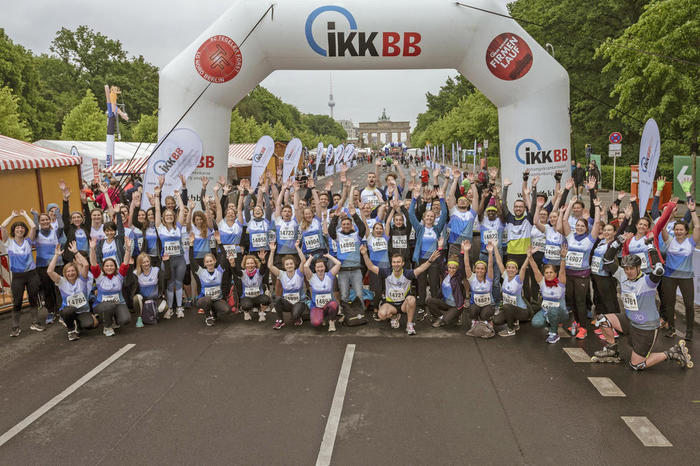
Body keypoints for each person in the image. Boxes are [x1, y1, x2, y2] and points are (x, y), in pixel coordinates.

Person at [593, 233, 693, 369]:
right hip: (630, 321)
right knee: (602, 319)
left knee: (636, 365)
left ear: (639, 268)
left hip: (646, 327)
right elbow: (608, 259)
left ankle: (672, 352)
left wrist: (651, 246)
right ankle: (612, 350)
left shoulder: (647, 281)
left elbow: (658, 269)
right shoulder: (622, 275)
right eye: (626, 268)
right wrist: (620, 240)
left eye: (632, 269)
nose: (628, 272)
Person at [361, 244, 440, 335]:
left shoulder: (407, 274)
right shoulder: (387, 272)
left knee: (412, 299)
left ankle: (409, 325)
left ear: (403, 263)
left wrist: (430, 260)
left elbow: (420, 269)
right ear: (391, 263)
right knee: (381, 315)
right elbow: (371, 267)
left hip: (404, 304)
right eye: (394, 262)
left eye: (398, 262)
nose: (396, 264)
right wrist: (364, 254)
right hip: (391, 304)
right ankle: (394, 316)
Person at [558, 197, 601, 339]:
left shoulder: (590, 239)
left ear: (586, 228)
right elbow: (564, 221)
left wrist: (597, 207)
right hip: (569, 274)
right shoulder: (570, 236)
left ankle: (583, 328)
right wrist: (569, 204)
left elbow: (597, 223)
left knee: (581, 301)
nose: (580, 228)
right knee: (571, 300)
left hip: (582, 275)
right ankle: (576, 322)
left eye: (582, 226)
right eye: (578, 226)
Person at [660, 198, 698, 341]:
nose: (678, 231)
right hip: (669, 276)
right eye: (676, 229)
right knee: (670, 304)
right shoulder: (669, 240)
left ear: (686, 231)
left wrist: (693, 211)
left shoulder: (691, 242)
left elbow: (698, 226)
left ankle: (689, 332)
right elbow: (662, 225)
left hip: (686, 277)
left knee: (689, 305)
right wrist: (669, 208)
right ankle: (671, 329)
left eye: (681, 229)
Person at [1, 210, 45, 336]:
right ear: (14, 230)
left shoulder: (28, 241)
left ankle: (35, 322)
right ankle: (15, 327)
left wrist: (25, 215)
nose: (20, 229)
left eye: (22, 228)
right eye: (17, 228)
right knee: (17, 302)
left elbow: (33, 227)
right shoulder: (8, 242)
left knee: (33, 299)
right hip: (17, 276)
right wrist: (12, 216)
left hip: (31, 274)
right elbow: (2, 227)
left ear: (24, 230)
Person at [47, 242, 95, 340]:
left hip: (82, 310)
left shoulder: (82, 280)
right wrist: (56, 255)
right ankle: (71, 331)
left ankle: (79, 323)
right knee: (69, 310)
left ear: (76, 272)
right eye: (68, 271)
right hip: (69, 310)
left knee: (89, 325)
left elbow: (85, 265)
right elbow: (49, 271)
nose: (70, 273)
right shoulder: (61, 281)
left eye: (72, 271)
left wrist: (76, 252)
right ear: (65, 273)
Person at [89, 236, 132, 336]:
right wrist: (92, 249)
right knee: (109, 306)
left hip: (118, 303)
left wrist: (128, 249)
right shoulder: (99, 276)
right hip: (101, 305)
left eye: (111, 265)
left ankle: (115, 319)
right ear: (103, 267)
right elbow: (93, 263)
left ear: (115, 267)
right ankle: (107, 327)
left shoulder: (119, 276)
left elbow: (125, 262)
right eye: (107, 266)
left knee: (125, 320)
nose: (109, 267)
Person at [529, 244, 569, 344]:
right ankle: (550, 323)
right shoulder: (542, 282)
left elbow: (562, 270)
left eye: (551, 272)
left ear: (555, 274)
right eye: (546, 272)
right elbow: (535, 268)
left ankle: (554, 334)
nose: (549, 274)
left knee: (553, 309)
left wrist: (563, 258)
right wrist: (529, 257)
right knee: (536, 323)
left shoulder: (560, 282)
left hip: (561, 312)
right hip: (546, 311)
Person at [190, 231, 230, 326]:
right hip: (204, 299)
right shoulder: (201, 272)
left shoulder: (219, 271)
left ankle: (214, 312)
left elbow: (224, 256)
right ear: (204, 264)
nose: (209, 263)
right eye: (207, 262)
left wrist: (219, 242)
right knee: (207, 300)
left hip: (216, 299)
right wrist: (191, 245)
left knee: (226, 310)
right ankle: (208, 317)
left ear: (215, 261)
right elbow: (191, 260)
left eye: (211, 261)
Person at [427, 240, 468, 329]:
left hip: (456, 306)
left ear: (457, 269)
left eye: (454, 268)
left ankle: (455, 316)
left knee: (447, 322)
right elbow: (441, 262)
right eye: (450, 267)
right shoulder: (445, 274)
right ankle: (440, 317)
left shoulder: (458, 276)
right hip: (446, 303)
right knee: (430, 301)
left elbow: (462, 265)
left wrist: (462, 251)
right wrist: (440, 247)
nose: (451, 270)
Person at [492, 243, 531, 337]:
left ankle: (511, 330)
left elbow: (523, 269)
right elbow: (498, 261)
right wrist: (495, 247)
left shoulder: (518, 279)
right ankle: (514, 322)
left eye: (513, 268)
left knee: (506, 307)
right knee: (496, 321)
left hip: (522, 311)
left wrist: (528, 257)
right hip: (510, 310)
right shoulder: (505, 276)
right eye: (509, 267)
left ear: (516, 270)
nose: (511, 270)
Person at [268, 240, 308, 330]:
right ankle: (280, 320)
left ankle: (298, 316)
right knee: (277, 299)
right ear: (284, 266)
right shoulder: (281, 274)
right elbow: (270, 266)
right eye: (287, 264)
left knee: (294, 316)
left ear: (294, 265)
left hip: (299, 302)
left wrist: (297, 247)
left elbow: (303, 260)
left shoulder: (299, 272)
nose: (289, 266)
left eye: (291, 264)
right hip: (288, 303)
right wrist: (272, 251)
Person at [463, 240, 496, 338]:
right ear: (475, 269)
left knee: (485, 314)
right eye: (478, 268)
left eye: (482, 269)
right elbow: (466, 265)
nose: (480, 270)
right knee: (472, 310)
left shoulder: (489, 278)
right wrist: (465, 251)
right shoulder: (472, 278)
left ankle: (487, 321)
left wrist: (490, 253)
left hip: (488, 305)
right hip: (476, 304)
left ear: (485, 271)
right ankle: (475, 321)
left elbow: (490, 265)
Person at [302, 251, 342, 331]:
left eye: (322, 267)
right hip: (317, 306)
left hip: (329, 305)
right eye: (318, 267)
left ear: (325, 267)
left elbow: (338, 264)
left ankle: (331, 322)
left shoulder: (329, 275)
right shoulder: (311, 277)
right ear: (315, 268)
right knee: (316, 323)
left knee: (334, 304)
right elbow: (306, 266)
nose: (320, 269)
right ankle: (322, 317)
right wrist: (310, 258)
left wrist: (328, 256)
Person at [132, 252, 169, 328]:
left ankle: (150, 315)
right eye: (143, 262)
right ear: (140, 264)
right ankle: (139, 318)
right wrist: (129, 267)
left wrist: (166, 262)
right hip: (143, 300)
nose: (146, 264)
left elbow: (168, 276)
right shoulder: (135, 273)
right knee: (136, 298)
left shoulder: (156, 270)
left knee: (164, 307)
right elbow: (127, 284)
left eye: (147, 261)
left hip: (155, 299)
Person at [238, 250, 271, 321]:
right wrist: (232, 265)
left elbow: (263, 268)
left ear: (255, 264)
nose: (250, 265)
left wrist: (263, 260)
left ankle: (261, 312)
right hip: (247, 297)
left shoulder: (259, 272)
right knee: (246, 305)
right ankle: (246, 312)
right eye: (248, 263)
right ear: (245, 265)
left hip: (258, 297)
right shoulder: (242, 273)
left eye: (252, 263)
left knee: (266, 300)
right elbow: (235, 271)